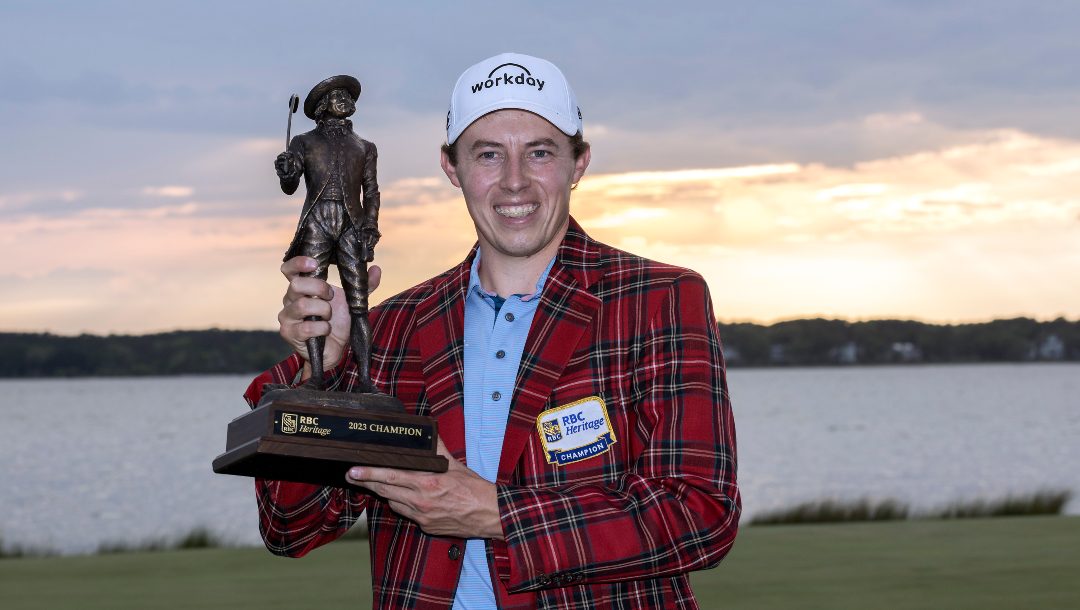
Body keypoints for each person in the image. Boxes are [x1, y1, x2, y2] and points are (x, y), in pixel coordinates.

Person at [245, 52, 740, 610]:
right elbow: (291, 526)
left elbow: (700, 514)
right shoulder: (394, 327)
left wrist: (497, 515)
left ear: (578, 164)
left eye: (539, 152)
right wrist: (328, 370)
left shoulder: (660, 299)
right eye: (487, 154)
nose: (514, 181)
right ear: (451, 167)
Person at [274, 74, 382, 391]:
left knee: (358, 304)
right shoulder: (304, 142)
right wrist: (287, 170)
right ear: (323, 106)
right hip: (317, 221)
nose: (347, 101)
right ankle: (317, 376)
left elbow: (372, 192)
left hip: (352, 223)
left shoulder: (365, 146)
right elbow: (289, 185)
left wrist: (370, 225)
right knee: (313, 299)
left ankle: (365, 381)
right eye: (339, 96)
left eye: (349, 97)